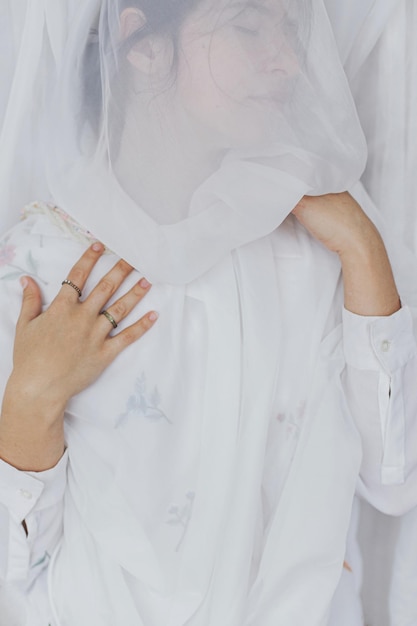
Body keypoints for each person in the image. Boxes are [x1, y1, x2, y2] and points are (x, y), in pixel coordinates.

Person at [0, 1, 417, 625]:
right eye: (249, 27)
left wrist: (364, 251)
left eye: (291, 30)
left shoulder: (315, 244)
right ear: (140, 44)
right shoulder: (48, 263)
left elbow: (395, 479)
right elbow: (18, 571)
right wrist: (30, 401)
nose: (288, 61)